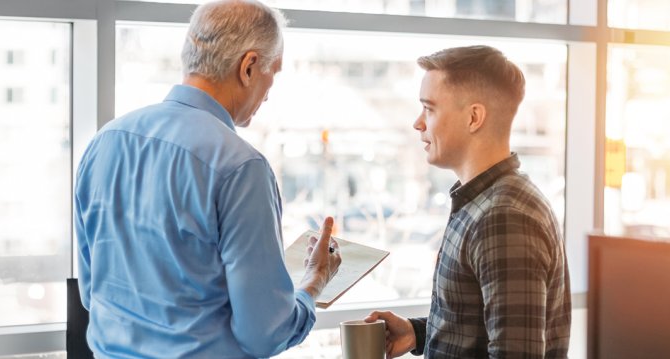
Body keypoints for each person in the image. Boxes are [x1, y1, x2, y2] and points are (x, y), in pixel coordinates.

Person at [73, 1, 341, 357]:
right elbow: (264, 334)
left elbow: (91, 292)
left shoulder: (105, 141)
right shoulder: (241, 167)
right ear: (248, 67)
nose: (270, 90)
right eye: (272, 73)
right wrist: (312, 283)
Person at [365, 45, 572, 358]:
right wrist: (417, 332)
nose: (418, 123)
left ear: (474, 117)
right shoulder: (483, 202)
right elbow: (479, 322)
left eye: (429, 109)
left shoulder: (503, 217)